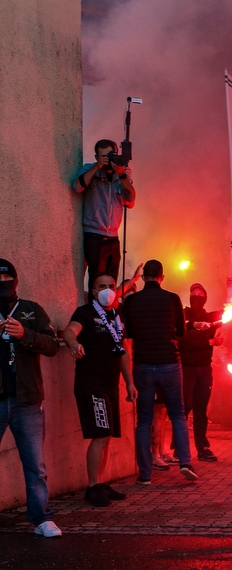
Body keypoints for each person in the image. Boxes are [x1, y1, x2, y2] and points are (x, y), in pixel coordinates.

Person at [62, 273, 138, 507]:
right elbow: (68, 331)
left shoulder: (116, 315)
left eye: (111, 286)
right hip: (91, 383)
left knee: (107, 437)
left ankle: (101, 483)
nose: (108, 290)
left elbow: (123, 350)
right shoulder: (84, 312)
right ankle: (93, 486)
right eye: (102, 286)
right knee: (101, 434)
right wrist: (74, 343)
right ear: (93, 291)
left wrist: (129, 381)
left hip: (110, 383)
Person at [0, 260, 62, 536]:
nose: (2, 282)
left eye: (6, 277)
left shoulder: (30, 309)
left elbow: (52, 345)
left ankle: (41, 519)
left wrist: (25, 335)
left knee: (35, 465)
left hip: (27, 399)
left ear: (15, 280)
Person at [121, 260, 198, 484]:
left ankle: (145, 474)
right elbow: (181, 331)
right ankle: (185, 462)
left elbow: (129, 332)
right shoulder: (172, 298)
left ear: (144, 277)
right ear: (162, 277)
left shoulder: (132, 300)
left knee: (144, 420)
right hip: (169, 363)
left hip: (143, 364)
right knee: (177, 414)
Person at [70, 139, 135, 291]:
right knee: (97, 282)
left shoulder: (122, 173)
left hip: (113, 237)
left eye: (111, 155)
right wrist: (97, 167)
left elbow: (130, 200)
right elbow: (76, 187)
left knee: (110, 282)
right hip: (94, 236)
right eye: (103, 156)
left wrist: (122, 175)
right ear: (96, 156)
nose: (108, 159)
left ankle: (108, 311)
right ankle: (95, 310)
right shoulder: (89, 169)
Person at [178, 283, 222, 462]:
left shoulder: (209, 317)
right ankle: (178, 447)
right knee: (184, 407)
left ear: (205, 298)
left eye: (200, 294)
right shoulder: (183, 316)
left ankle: (202, 448)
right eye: (193, 294)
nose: (196, 297)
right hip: (187, 369)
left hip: (205, 369)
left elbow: (230, 309)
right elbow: (184, 342)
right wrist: (208, 342)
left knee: (201, 410)